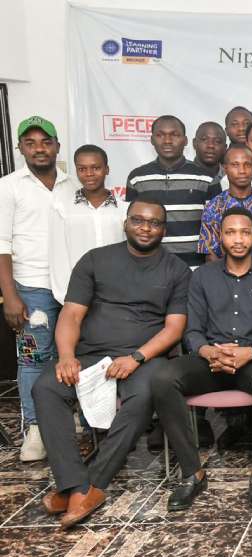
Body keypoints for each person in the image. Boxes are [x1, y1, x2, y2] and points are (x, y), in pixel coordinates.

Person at [32, 198, 190, 528]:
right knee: (46, 387)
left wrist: (136, 357)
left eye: (155, 223)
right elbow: (71, 314)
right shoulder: (95, 260)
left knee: (144, 396)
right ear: (125, 223)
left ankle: (92, 484)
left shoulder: (176, 269)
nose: (146, 228)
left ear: (164, 229)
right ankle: (75, 484)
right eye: (138, 220)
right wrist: (66, 356)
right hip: (91, 354)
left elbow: (174, 328)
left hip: (145, 358)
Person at [152, 206, 252, 511]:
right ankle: (192, 472)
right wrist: (209, 351)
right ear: (219, 236)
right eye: (230, 232)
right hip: (211, 361)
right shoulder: (201, 277)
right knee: (163, 378)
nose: (238, 239)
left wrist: (249, 352)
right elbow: (192, 332)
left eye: (245, 232)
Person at [0, 116, 74, 461]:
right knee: (33, 358)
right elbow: (1, 245)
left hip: (71, 286)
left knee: (68, 353)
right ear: (20, 149)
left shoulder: (72, 184)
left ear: (57, 146)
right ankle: (35, 428)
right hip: (31, 286)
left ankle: (67, 417)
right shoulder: (9, 186)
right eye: (30, 143)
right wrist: (10, 296)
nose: (39, 149)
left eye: (45, 142)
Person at [125, 115, 221, 268]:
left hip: (195, 267)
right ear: (152, 140)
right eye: (160, 135)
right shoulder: (137, 178)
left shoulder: (207, 178)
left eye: (174, 135)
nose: (167, 141)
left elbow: (215, 227)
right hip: (150, 267)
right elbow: (132, 226)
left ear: (185, 140)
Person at [49, 144, 128, 304]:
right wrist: (67, 298)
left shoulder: (125, 209)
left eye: (96, 168)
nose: (89, 174)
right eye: (82, 169)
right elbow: (58, 256)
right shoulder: (63, 208)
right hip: (77, 295)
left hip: (118, 294)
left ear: (107, 169)